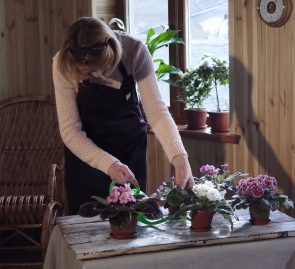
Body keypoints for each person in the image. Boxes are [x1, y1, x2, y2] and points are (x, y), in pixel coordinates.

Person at [53, 17, 194, 215]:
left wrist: (180, 157)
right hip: (88, 153)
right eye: (88, 71)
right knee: (87, 228)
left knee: (131, 221)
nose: (97, 74)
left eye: (103, 67)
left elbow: (157, 112)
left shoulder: (135, 50)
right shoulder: (64, 64)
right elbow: (70, 131)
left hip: (130, 149)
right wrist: (108, 164)